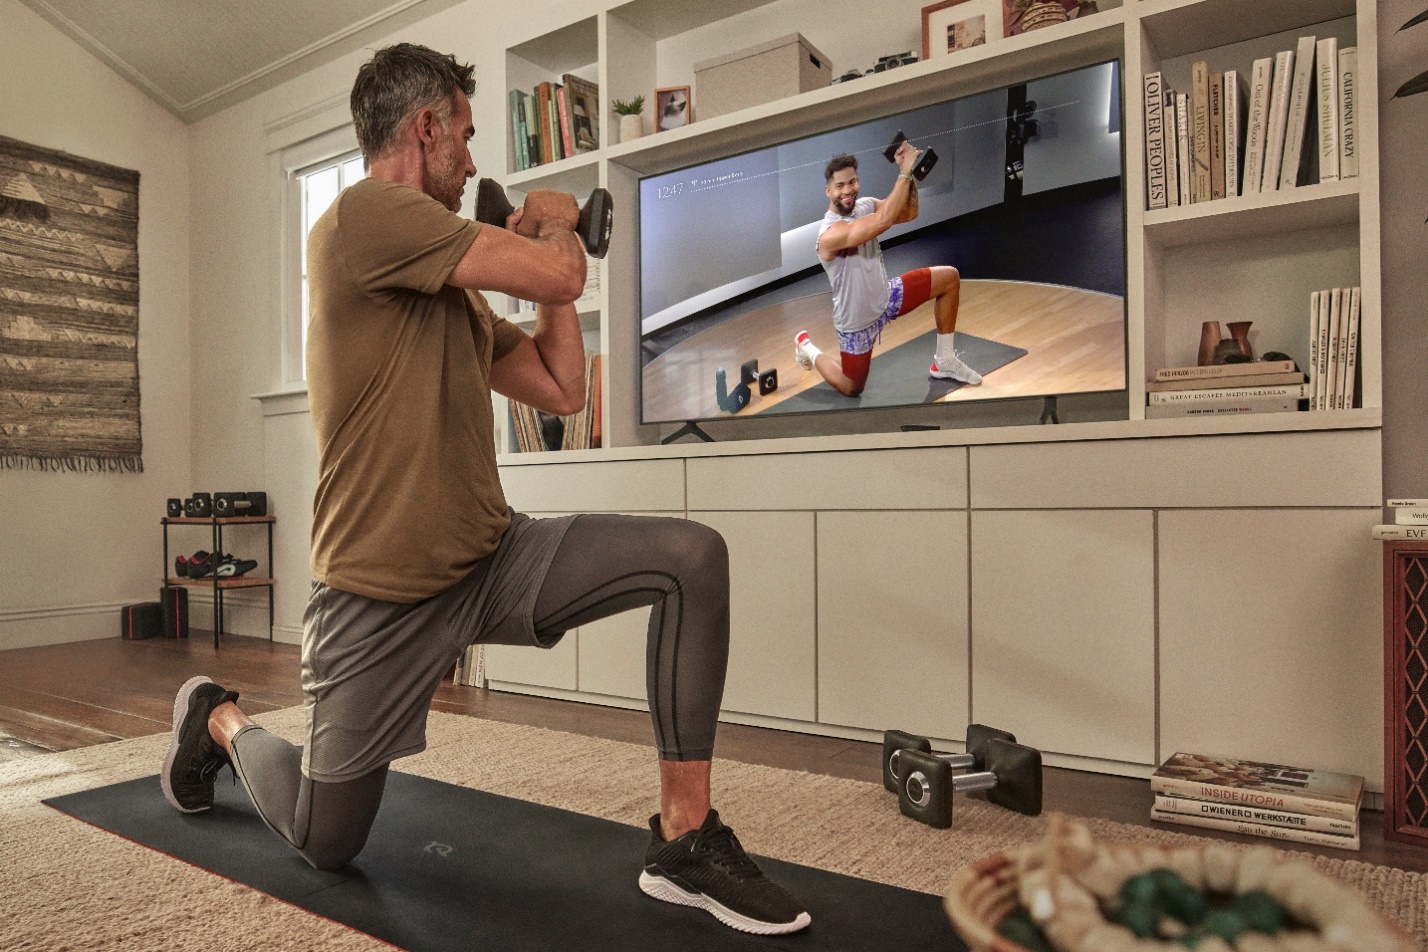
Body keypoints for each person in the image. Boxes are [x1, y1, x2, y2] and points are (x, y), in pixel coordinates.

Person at [160, 42, 810, 937]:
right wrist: (550, 228)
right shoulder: (364, 219)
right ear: (424, 129)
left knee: (691, 558)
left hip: (490, 557)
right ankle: (220, 719)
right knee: (327, 837)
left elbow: (561, 386)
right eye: (463, 137)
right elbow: (561, 271)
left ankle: (685, 841)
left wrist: (549, 247)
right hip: (378, 595)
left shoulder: (452, 292)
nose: (472, 162)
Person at [794, 146, 982, 396]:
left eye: (851, 182)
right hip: (857, 322)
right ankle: (806, 347)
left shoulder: (866, 205)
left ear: (858, 181)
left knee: (949, 278)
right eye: (839, 186)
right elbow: (883, 221)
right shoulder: (830, 235)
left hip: (886, 298)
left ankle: (945, 361)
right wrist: (903, 171)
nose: (847, 190)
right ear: (829, 191)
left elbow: (909, 213)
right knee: (852, 388)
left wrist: (911, 172)